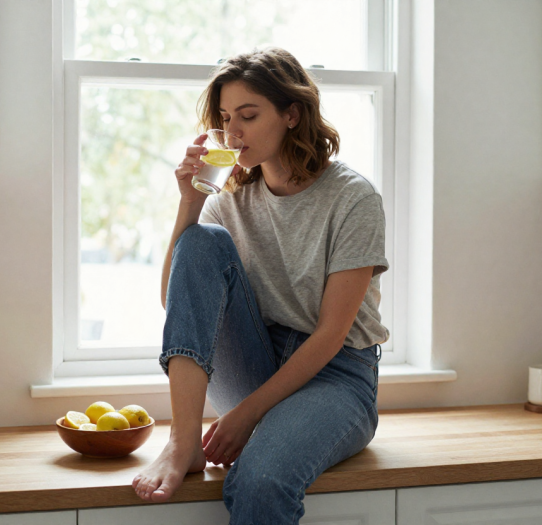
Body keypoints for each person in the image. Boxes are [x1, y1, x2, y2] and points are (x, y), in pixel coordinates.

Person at [132, 47, 389, 524]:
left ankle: (237, 435)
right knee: (202, 240)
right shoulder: (229, 200)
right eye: (226, 117)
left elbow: (332, 336)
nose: (233, 132)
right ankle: (181, 441)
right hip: (256, 361)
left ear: (292, 114)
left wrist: (246, 413)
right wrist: (189, 204)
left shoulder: (353, 198)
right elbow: (177, 302)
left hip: (336, 377)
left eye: (248, 116)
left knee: (262, 480)